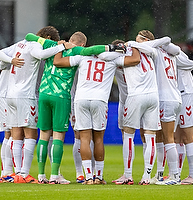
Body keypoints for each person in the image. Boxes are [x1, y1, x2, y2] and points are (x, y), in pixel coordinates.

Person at [26, 31, 127, 184]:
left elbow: (31, 38)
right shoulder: (81, 52)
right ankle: (62, 176)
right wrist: (113, 48)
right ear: (82, 44)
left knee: (46, 136)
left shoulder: (52, 45)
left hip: (47, 92)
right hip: (65, 96)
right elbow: (91, 51)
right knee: (93, 138)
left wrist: (60, 47)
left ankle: (47, 175)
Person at [0, 26, 75, 184]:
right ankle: (24, 173)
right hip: (25, 95)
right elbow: (41, 54)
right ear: (47, 38)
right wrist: (62, 46)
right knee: (30, 134)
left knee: (15, 134)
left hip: (10, 95)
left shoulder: (20, 44)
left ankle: (16, 173)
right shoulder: (36, 45)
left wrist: (10, 60)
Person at [53, 39, 139, 185]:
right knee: (98, 139)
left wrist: (60, 47)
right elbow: (135, 60)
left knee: (84, 139)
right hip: (99, 100)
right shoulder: (113, 59)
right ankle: (98, 177)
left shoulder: (83, 57)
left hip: (81, 100)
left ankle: (87, 177)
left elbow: (58, 62)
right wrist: (135, 46)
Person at [111, 33, 170, 185]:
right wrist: (135, 44)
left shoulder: (125, 55)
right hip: (153, 96)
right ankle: (146, 176)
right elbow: (162, 41)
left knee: (129, 135)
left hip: (136, 95)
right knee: (151, 137)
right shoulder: (150, 52)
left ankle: (128, 175)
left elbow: (113, 59)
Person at [143, 33, 182, 185]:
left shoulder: (156, 51)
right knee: (164, 138)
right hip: (175, 97)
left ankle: (175, 176)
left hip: (165, 99)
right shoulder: (170, 54)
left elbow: (147, 46)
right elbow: (176, 49)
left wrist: (151, 42)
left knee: (168, 139)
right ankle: (162, 174)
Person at [174, 50, 193, 185]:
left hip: (187, 95)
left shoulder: (174, 52)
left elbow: (191, 64)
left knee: (187, 137)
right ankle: (176, 174)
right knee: (176, 137)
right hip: (178, 96)